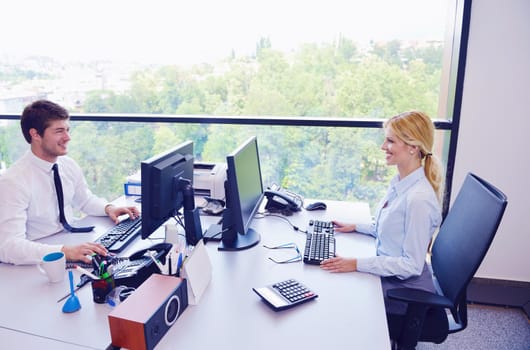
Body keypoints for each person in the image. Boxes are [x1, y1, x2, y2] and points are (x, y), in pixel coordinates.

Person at [320, 110, 444, 316]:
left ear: (413, 147)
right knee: (334, 283)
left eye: (390, 141)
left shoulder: (418, 200)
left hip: (405, 290)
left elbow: (411, 266)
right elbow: (393, 228)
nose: (383, 147)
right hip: (391, 275)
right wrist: (356, 227)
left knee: (336, 299)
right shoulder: (401, 182)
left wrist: (355, 263)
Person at [0, 100, 139, 265]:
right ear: (35, 134)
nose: (68, 138)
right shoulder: (13, 182)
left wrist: (109, 208)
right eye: (59, 131)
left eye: (67, 130)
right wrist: (64, 252)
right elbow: (8, 246)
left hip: (68, 243)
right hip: (37, 258)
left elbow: (85, 200)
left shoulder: (67, 164)